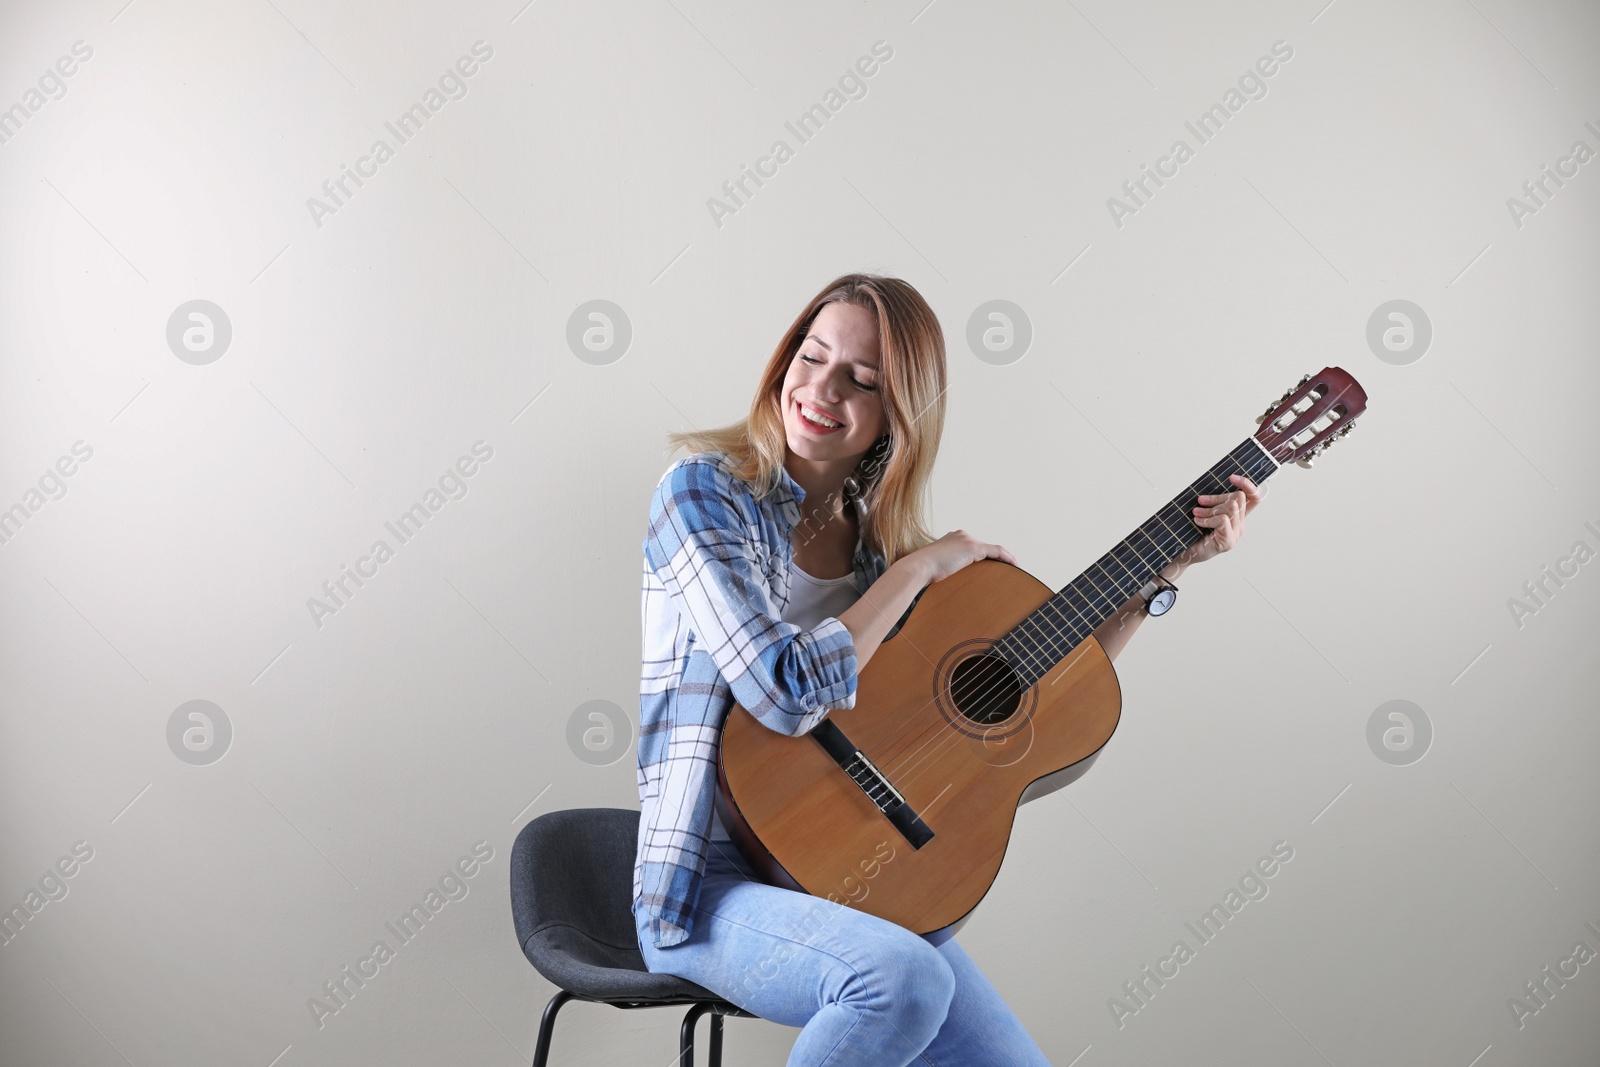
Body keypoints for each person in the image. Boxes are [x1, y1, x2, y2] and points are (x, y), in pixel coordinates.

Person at [631, 272, 1262, 1065]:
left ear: (901, 416)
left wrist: (1167, 570)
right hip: (709, 882)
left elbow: (1043, 691)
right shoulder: (702, 494)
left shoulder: (878, 545)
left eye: (861, 380)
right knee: (901, 982)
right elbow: (783, 690)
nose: (820, 388)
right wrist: (919, 571)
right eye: (811, 354)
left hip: (853, 875)